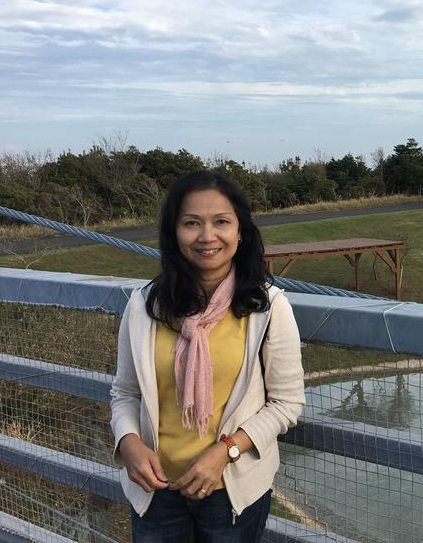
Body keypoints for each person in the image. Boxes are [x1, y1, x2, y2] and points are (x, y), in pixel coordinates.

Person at [110, 170, 305, 542]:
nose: (207, 236)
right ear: (174, 232)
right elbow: (125, 393)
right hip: (156, 493)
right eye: (191, 223)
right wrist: (128, 442)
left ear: (240, 231)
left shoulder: (266, 308)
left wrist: (225, 452)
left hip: (230, 494)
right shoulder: (144, 306)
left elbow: (287, 403)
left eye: (221, 222)